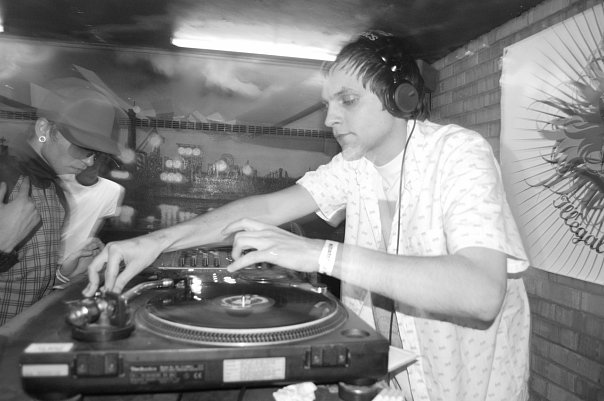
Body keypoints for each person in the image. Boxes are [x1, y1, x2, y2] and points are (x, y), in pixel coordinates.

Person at [85, 31, 530, 401]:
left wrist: (322, 254)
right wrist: (155, 242)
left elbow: (480, 291)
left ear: (401, 98)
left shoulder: (459, 154)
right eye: (328, 103)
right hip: (387, 381)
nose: (330, 117)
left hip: (466, 385)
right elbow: (265, 208)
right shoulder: (353, 167)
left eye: (347, 100)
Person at [0, 77, 124, 325]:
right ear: (44, 130)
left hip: (25, 335)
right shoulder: (5, 180)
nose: (89, 162)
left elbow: (30, 282)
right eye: (82, 148)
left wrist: (67, 271)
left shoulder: (54, 190)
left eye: (95, 153)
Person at [56, 157, 125, 284]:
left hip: (81, 263)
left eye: (98, 157)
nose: (93, 163)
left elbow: (97, 228)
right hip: (51, 261)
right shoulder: (59, 182)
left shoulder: (114, 190)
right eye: (89, 156)